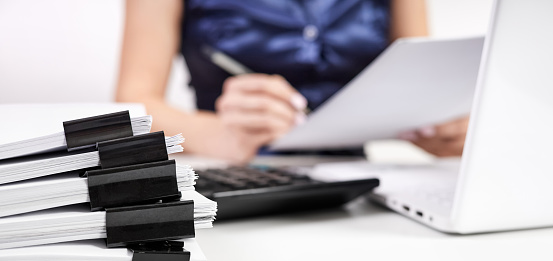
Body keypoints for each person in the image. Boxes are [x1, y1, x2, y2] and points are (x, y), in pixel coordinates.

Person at [116, 0, 469, 162]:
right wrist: (218, 135)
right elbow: (133, 103)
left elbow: (421, 80)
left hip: (361, 184)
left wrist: (442, 129)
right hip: (235, 175)